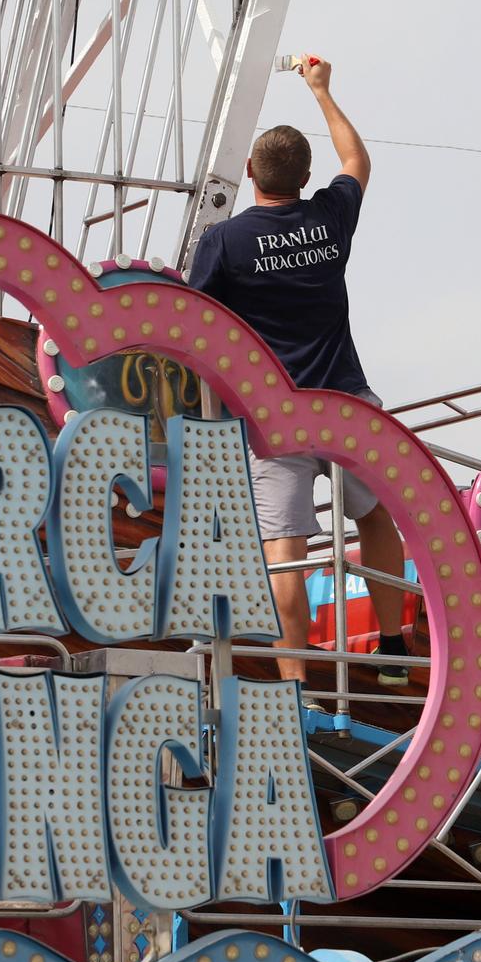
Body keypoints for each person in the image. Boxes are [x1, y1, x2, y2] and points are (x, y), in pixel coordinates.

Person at [187, 55, 412, 688]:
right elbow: (358, 162)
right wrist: (322, 91)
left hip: (272, 414)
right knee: (374, 517)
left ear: (251, 172)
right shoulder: (328, 217)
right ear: (306, 176)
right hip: (346, 399)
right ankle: (394, 649)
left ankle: (297, 685)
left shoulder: (224, 242)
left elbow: (194, 326)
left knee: (283, 551)